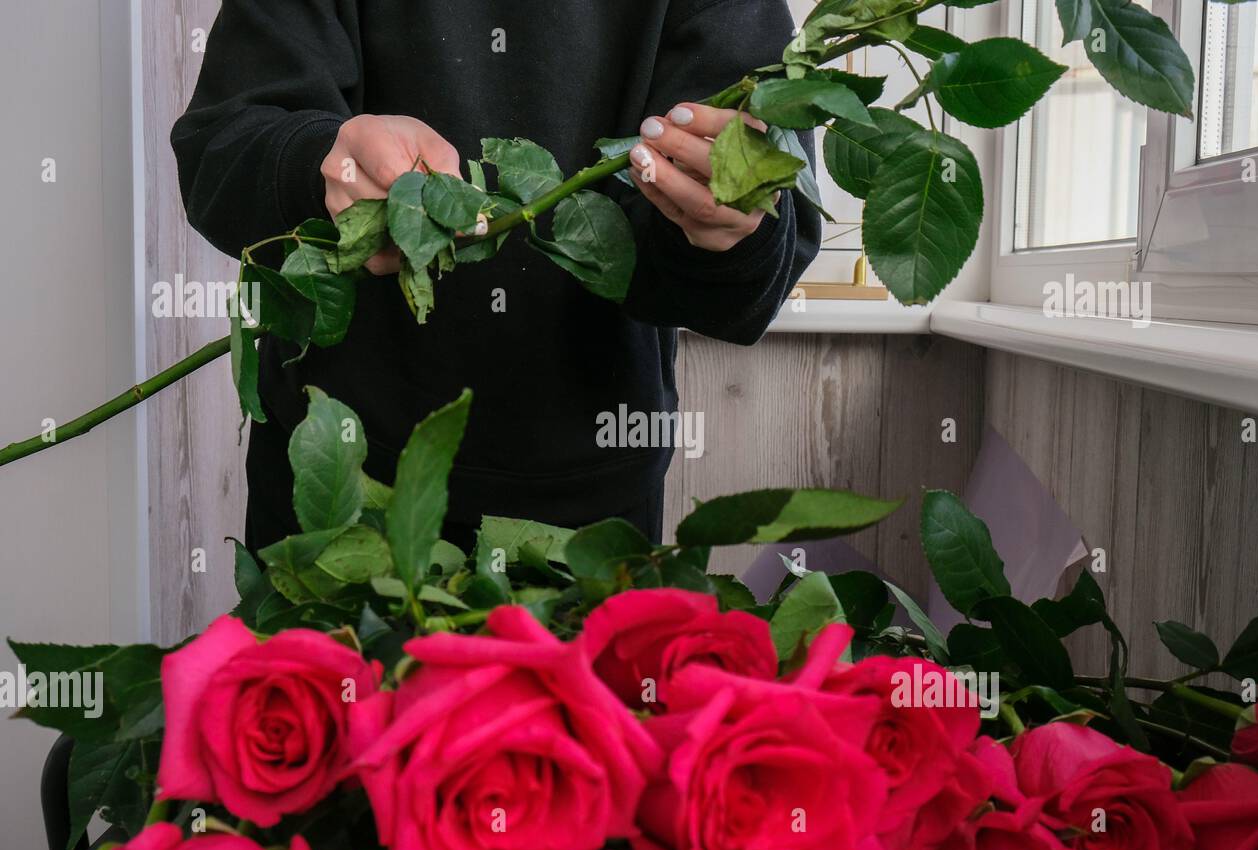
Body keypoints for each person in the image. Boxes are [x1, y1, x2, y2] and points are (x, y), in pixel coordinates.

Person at [172, 0, 820, 555]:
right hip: (334, 485)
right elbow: (219, 149)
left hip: (588, 517)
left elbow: (752, 273)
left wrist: (727, 225)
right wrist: (323, 165)